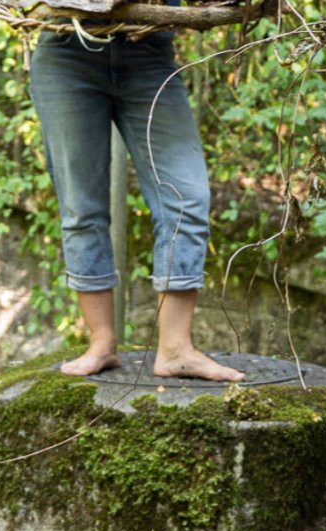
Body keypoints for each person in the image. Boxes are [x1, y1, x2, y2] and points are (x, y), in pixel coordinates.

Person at [28, 26, 242, 383]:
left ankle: (176, 350)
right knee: (82, 209)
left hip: (150, 52)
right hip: (66, 51)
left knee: (186, 197)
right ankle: (101, 344)